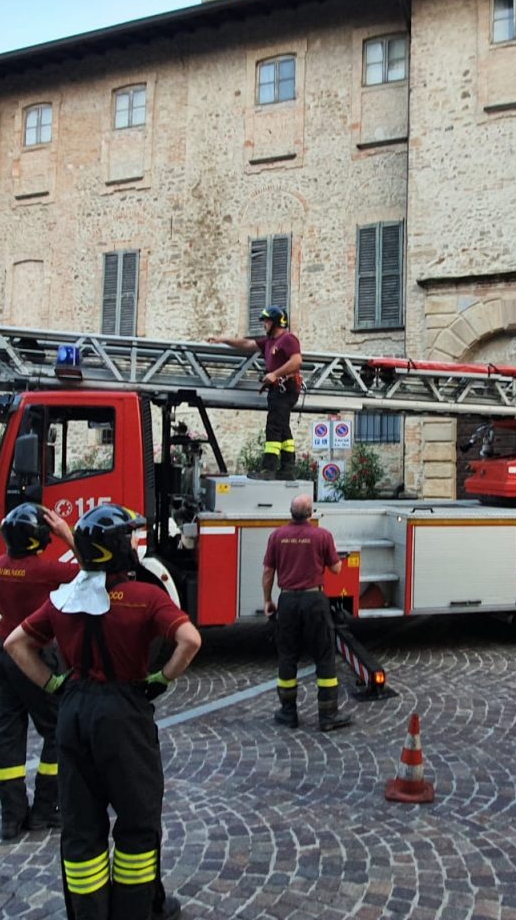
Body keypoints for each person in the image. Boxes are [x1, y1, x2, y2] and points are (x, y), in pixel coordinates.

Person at [5, 504, 201, 920]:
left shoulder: (65, 598)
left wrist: (53, 683)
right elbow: (190, 641)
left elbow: (15, 645)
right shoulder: (145, 598)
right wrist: (162, 679)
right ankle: (136, 910)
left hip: (74, 711)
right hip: (124, 714)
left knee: (81, 826)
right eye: (128, 538)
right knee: (137, 820)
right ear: (120, 549)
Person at [0, 502, 79, 842]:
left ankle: (12, 817)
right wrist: (68, 536)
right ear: (40, 539)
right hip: (36, 655)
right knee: (56, 731)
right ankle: (45, 810)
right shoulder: (46, 571)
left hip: (2, 653)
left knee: (9, 733)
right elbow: (96, 573)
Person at [262, 493, 351, 732]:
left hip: (288, 601)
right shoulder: (322, 536)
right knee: (324, 655)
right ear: (311, 513)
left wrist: (268, 600)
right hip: (314, 600)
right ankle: (328, 714)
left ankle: (288, 713)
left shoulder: (277, 536)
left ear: (290, 513)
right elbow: (336, 569)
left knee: (287, 655)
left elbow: (268, 572)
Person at [208, 304, 302, 478]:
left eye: (266, 321)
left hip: (285, 388)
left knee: (273, 427)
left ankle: (269, 470)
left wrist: (275, 374)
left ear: (275, 322)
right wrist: (222, 339)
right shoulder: (268, 342)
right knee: (283, 428)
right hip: (277, 389)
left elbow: (296, 361)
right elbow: (246, 343)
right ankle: (288, 468)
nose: (263, 324)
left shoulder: (288, 339)